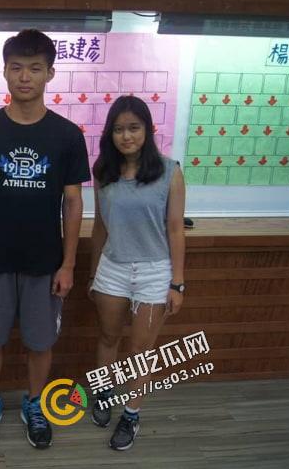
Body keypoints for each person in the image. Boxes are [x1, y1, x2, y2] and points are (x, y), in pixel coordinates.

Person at [0, 29, 90, 449]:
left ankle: (35, 404)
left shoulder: (67, 135)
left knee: (40, 342)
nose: (25, 76)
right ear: (5, 72)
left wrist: (68, 264)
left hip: (44, 262)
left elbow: (73, 203)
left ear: (50, 73)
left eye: (35, 68)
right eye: (16, 68)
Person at [87, 95, 186, 451]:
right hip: (112, 268)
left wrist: (177, 283)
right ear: (110, 134)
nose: (126, 136)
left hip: (155, 272)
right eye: (118, 129)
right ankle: (103, 393)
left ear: (148, 130)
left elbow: (175, 229)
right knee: (108, 336)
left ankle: (131, 414)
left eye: (134, 128)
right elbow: (100, 226)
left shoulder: (169, 172)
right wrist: (93, 273)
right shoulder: (103, 173)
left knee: (140, 351)